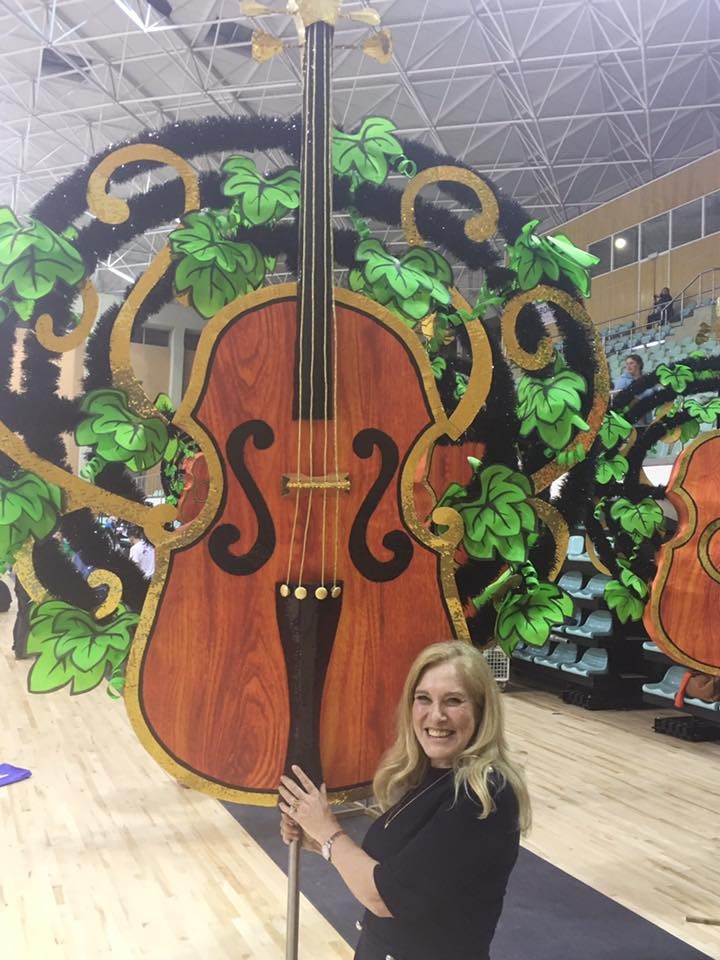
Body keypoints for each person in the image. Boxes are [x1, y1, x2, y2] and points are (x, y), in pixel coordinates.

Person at [278, 640, 531, 960]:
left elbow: (385, 897)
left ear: (482, 711)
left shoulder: (484, 794)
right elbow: (403, 867)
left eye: (453, 701)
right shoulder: (430, 775)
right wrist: (319, 841)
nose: (436, 716)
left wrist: (329, 833)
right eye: (423, 698)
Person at [613, 353, 656, 427]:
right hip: (630, 415)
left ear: (639, 364)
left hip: (647, 414)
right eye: (627, 364)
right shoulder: (622, 380)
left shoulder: (647, 378)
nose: (628, 366)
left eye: (631, 363)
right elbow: (617, 397)